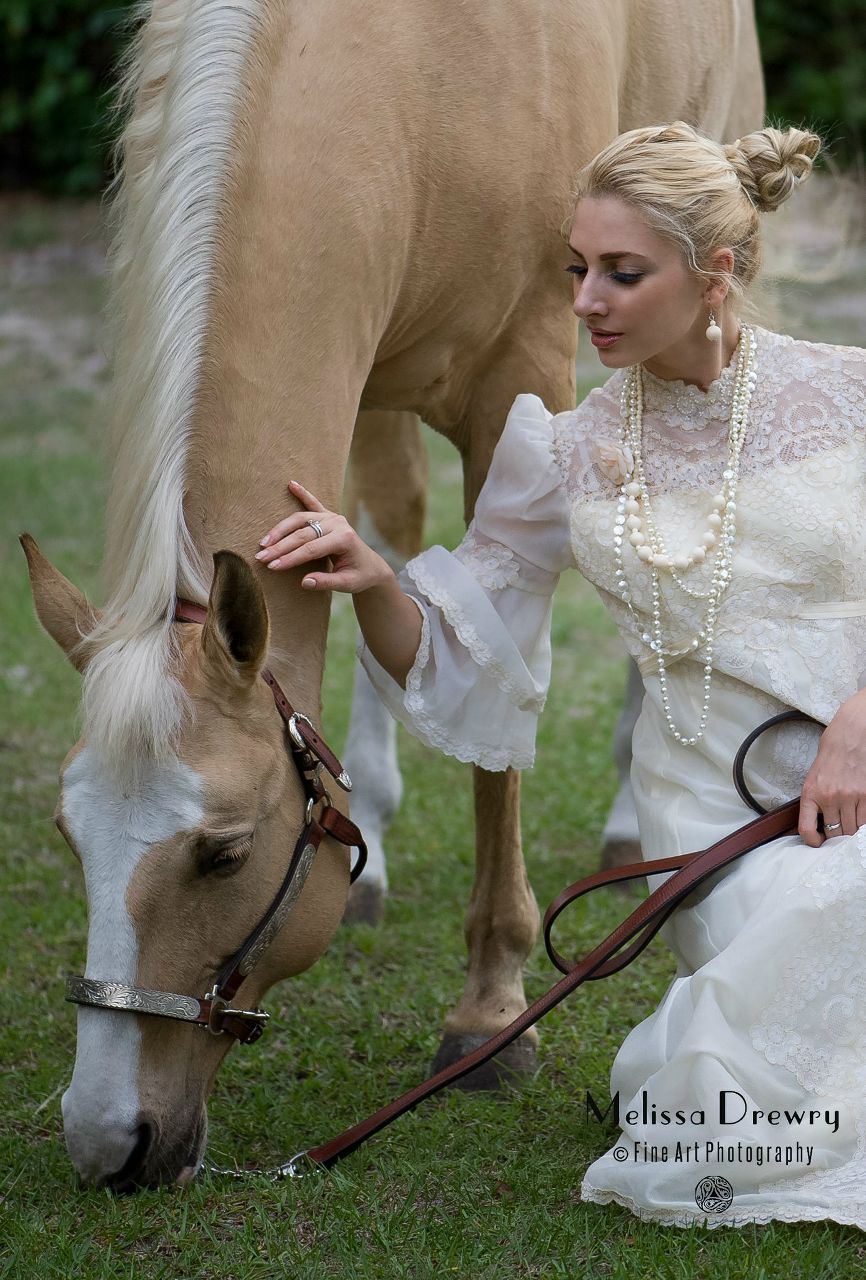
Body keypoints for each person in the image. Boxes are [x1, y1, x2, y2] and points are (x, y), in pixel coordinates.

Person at [256, 122, 866, 1229]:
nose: (585, 300)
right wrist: (374, 578)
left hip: (858, 753)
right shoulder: (564, 451)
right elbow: (457, 640)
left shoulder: (844, 393)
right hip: (716, 808)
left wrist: (857, 726)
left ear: (714, 272)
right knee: (821, 911)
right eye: (576, 269)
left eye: (622, 272)